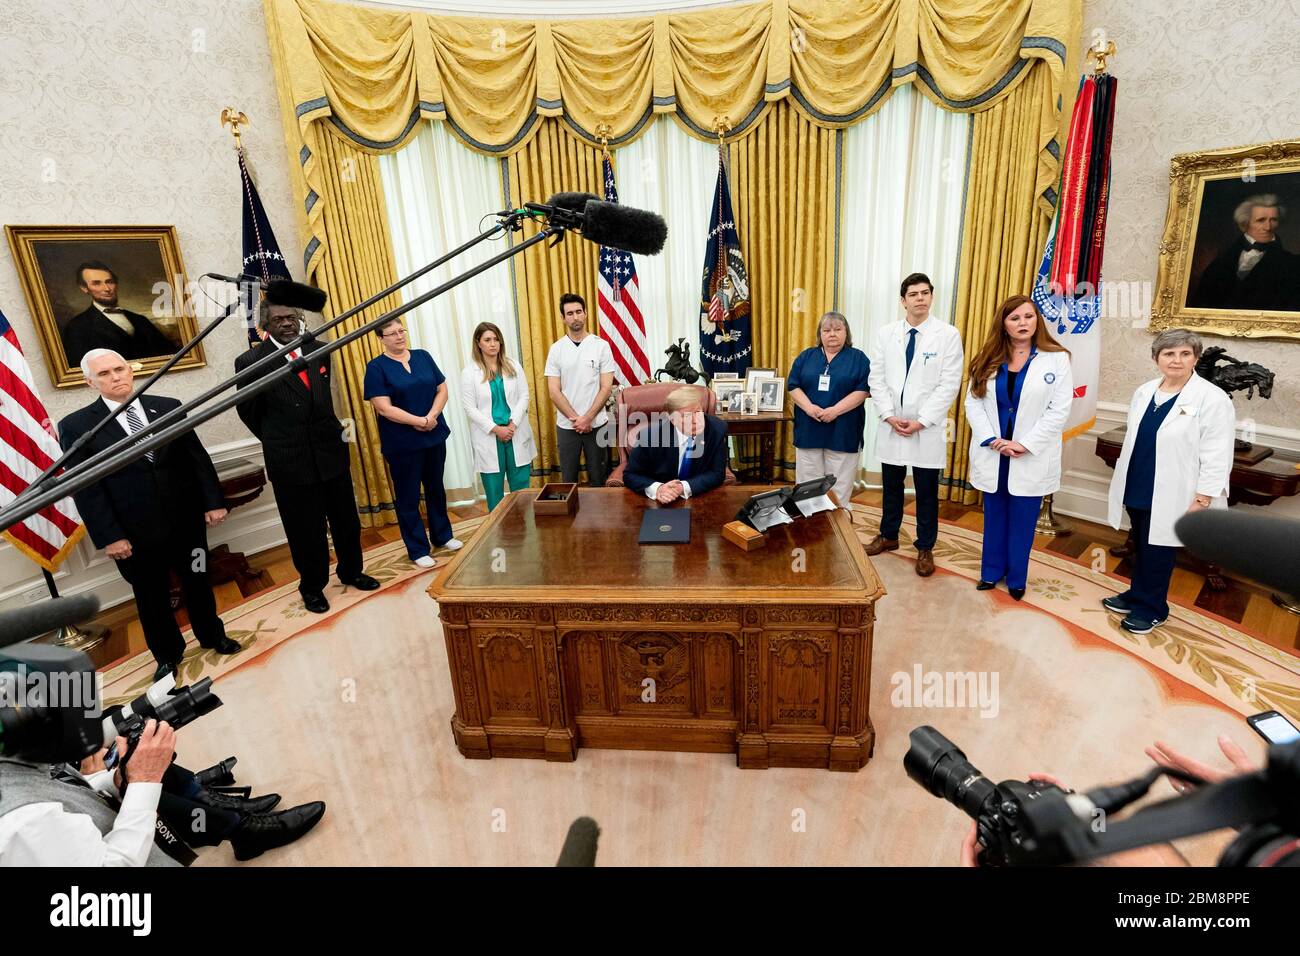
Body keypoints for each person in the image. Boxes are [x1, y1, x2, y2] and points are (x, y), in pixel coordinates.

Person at [58, 349, 241, 681]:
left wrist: (214, 502)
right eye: (104, 374)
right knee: (152, 597)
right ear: (89, 382)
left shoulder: (168, 406)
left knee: (198, 580)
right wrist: (110, 535)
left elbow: (195, 457)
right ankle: (168, 656)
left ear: (131, 370)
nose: (115, 377)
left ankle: (213, 635)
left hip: (187, 523)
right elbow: (87, 487)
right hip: (135, 533)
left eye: (119, 368)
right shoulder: (78, 426)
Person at [234, 298, 380, 613]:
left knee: (346, 522)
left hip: (331, 453)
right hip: (290, 461)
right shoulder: (250, 362)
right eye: (278, 319)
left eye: (292, 316)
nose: (286, 323)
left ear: (299, 318)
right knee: (306, 531)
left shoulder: (320, 348)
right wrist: (281, 439)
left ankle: (352, 572)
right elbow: (249, 412)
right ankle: (312, 587)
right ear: (265, 325)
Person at [1105, 329, 1235, 634]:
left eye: (1185, 354)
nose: (1176, 360)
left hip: (1177, 489)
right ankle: (1137, 594)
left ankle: (1153, 608)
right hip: (1139, 480)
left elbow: (1218, 453)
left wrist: (1203, 498)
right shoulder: (1145, 391)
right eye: (1169, 354)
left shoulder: (1212, 399)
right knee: (1141, 541)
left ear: (1196, 358)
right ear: (1156, 359)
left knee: (1159, 548)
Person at [964, 295, 1073, 600]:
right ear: (1004, 324)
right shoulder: (987, 358)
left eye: (1028, 316)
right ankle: (990, 571)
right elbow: (973, 402)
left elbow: (1059, 410)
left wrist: (1025, 443)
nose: (1023, 323)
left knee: (1024, 519)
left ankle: (1016, 578)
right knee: (994, 515)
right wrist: (992, 439)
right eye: (1015, 318)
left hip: (1030, 454)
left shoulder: (1057, 358)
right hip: (994, 451)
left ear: (1037, 320)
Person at [866, 272, 965, 576]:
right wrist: (887, 414)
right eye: (913, 294)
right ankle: (889, 535)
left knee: (926, 490)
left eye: (925, 293)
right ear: (903, 300)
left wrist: (922, 421)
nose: (920, 298)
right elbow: (877, 378)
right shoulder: (886, 334)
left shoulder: (947, 335)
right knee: (891, 486)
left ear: (931, 297)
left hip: (927, 428)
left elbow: (949, 384)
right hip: (892, 424)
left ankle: (925, 546)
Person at [363, 318, 461, 568]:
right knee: (408, 497)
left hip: (433, 434)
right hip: (403, 443)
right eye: (392, 333)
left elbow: (442, 390)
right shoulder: (376, 367)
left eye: (401, 331)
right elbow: (383, 408)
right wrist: (417, 420)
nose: (399, 336)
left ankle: (443, 536)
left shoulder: (423, 356)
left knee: (436, 488)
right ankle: (418, 549)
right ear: (381, 339)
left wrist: (430, 418)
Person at [788, 311, 871, 510]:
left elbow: (864, 390)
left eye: (837, 329)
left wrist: (835, 410)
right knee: (808, 483)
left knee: (839, 484)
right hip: (810, 429)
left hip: (844, 430)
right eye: (826, 330)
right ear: (820, 334)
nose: (832, 334)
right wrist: (809, 408)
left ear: (846, 333)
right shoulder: (806, 356)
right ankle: (810, 521)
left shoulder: (858, 358)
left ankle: (837, 524)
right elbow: (793, 385)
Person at [459, 321, 536, 511]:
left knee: (521, 490)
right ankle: (497, 536)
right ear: (478, 343)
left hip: (515, 432)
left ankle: (526, 533)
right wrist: (497, 429)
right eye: (487, 340)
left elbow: (524, 396)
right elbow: (470, 408)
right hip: (489, 436)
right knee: (494, 493)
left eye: (496, 339)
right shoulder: (469, 373)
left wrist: (512, 425)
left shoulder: (513, 366)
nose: (493, 344)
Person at [544, 293, 615, 486]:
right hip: (568, 426)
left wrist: (588, 418)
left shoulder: (601, 346)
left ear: (585, 314)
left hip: (597, 423)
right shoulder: (556, 349)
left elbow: (606, 387)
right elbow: (554, 391)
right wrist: (577, 419)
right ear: (563, 318)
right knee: (568, 480)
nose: (575, 317)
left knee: (599, 477)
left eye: (578, 312)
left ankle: (600, 516)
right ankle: (572, 517)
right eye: (569, 313)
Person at [1190, 194, 1300, 312]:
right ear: (1244, 224)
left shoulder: (1293, 264)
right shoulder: (1220, 263)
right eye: (1261, 220)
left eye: (1273, 220)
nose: (1268, 227)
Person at [61, 260, 176, 368]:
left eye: (109, 282)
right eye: (97, 283)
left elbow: (172, 355)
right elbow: (81, 369)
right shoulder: (76, 327)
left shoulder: (140, 320)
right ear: (84, 288)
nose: (106, 288)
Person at [623, 386, 729, 502]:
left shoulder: (716, 430)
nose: (695, 420)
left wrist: (682, 487)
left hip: (700, 498)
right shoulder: (649, 436)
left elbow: (717, 473)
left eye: (698, 412)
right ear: (672, 420)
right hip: (659, 502)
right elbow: (631, 475)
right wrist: (658, 489)